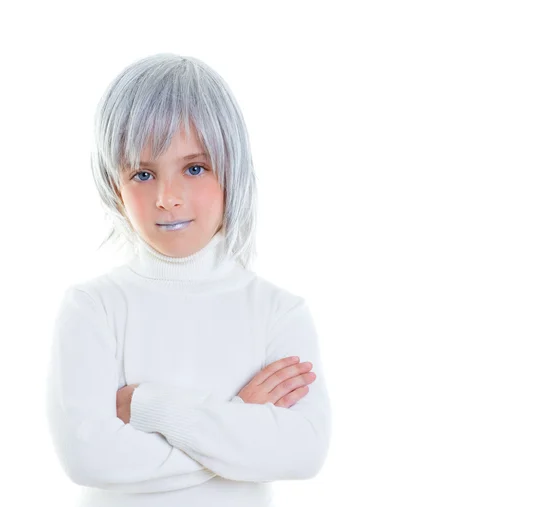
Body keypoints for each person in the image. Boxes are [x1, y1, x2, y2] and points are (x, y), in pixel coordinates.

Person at [44, 52, 332, 507]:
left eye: (194, 168)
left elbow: (303, 452)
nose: (168, 197)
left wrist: (148, 408)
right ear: (113, 186)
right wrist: (241, 425)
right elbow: (90, 458)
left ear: (230, 169)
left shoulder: (278, 311)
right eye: (143, 173)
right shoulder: (93, 307)